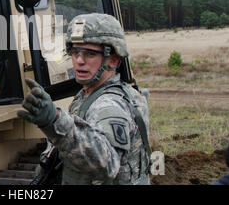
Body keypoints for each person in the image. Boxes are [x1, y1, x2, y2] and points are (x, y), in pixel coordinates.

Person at [18, 13, 150, 184]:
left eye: (90, 54)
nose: (79, 61)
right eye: (75, 52)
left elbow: (106, 165)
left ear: (113, 60)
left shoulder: (109, 105)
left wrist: (55, 120)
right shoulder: (89, 94)